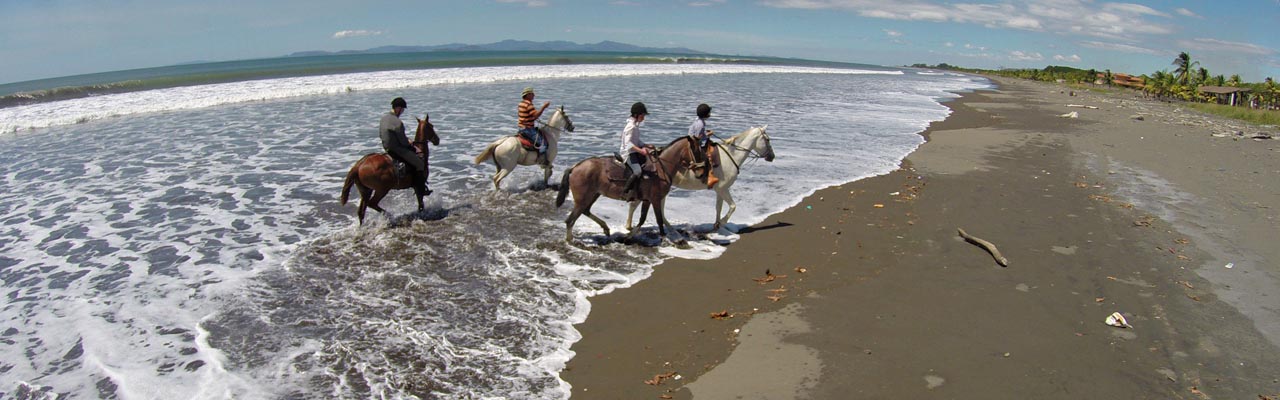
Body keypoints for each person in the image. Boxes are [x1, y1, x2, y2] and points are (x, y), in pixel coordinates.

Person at [380, 97, 430, 196]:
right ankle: (420, 188)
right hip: (397, 149)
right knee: (420, 164)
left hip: (386, 147)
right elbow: (403, 142)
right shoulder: (398, 123)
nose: (402, 112)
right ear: (398, 108)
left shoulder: (383, 119)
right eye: (402, 110)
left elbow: (381, 135)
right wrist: (410, 143)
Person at [620, 102, 653, 198]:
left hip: (634, 151)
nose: (643, 117)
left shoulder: (634, 125)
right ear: (636, 115)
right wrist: (641, 151)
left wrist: (645, 145)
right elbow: (628, 144)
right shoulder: (631, 126)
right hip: (628, 154)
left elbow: (636, 141)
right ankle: (625, 192)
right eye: (642, 115)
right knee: (638, 171)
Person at [518, 87, 551, 163]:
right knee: (543, 144)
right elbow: (536, 115)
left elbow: (526, 115)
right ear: (528, 95)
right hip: (528, 129)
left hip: (521, 127)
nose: (534, 95)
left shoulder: (521, 103)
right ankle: (542, 161)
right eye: (532, 94)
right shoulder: (529, 104)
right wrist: (544, 107)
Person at [687, 103, 718, 183]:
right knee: (707, 157)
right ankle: (707, 177)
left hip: (693, 142)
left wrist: (705, 133)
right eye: (709, 113)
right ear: (706, 114)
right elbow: (697, 138)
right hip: (694, 145)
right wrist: (708, 135)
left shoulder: (699, 121)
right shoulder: (700, 124)